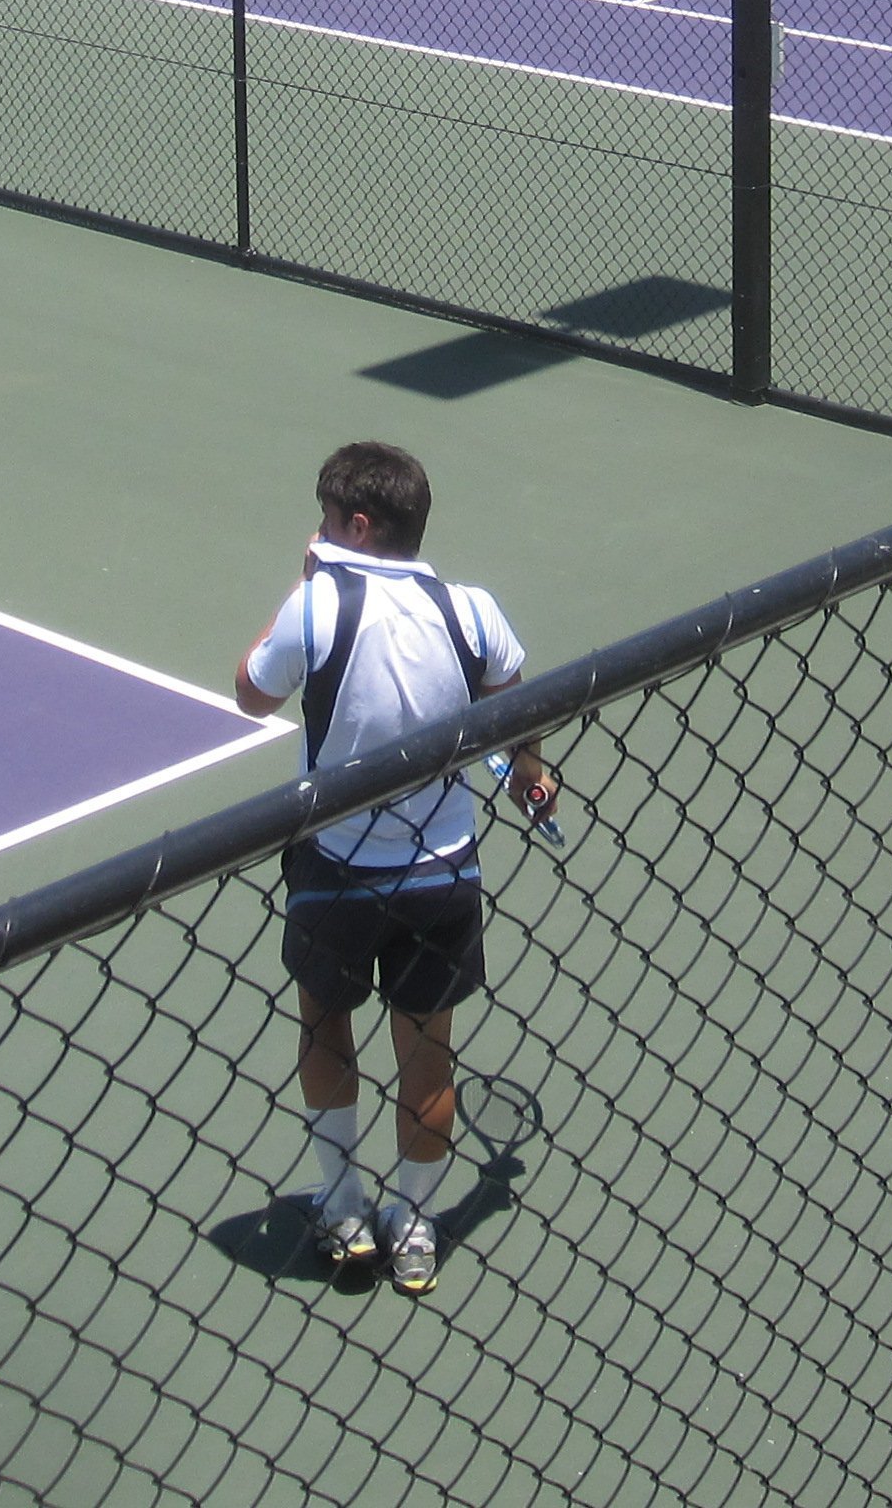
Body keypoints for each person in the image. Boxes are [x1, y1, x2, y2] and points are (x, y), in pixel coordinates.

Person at [233, 441, 555, 1297]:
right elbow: (516, 691)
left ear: (358, 526)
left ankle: (344, 1211)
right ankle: (414, 1229)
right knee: (429, 1058)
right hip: (443, 879)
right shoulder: (471, 610)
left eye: (331, 519)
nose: (323, 530)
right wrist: (528, 768)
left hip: (335, 873)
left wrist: (306, 583)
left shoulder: (317, 606)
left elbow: (251, 692)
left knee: (325, 1029)